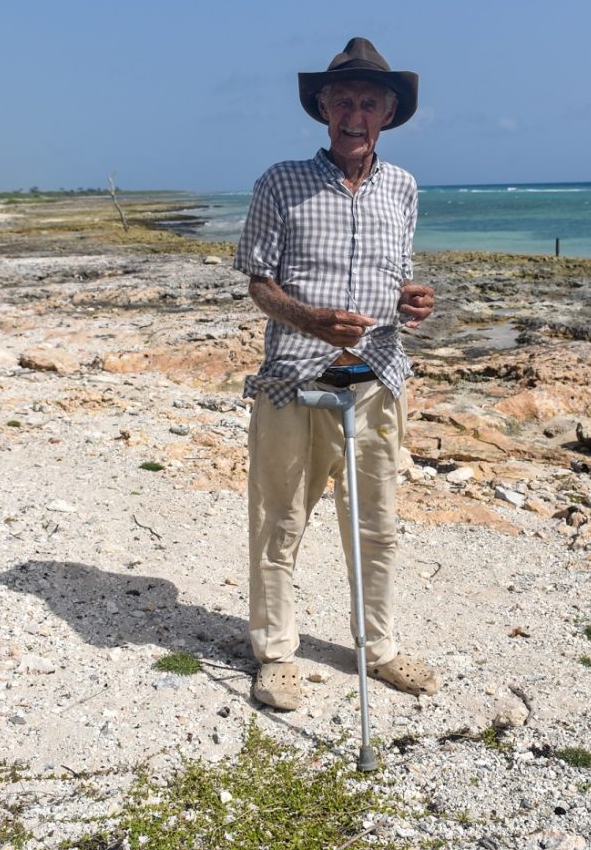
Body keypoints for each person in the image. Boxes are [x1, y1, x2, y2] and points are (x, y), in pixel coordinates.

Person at [233, 37, 440, 711]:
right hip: (294, 379)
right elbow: (259, 286)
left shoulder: (405, 188)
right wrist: (311, 320)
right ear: (323, 106)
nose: (356, 113)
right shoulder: (280, 182)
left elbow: (398, 285)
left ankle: (376, 648)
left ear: (389, 112)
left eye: (370, 102)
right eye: (344, 100)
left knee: (376, 525)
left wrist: (413, 305)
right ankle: (276, 653)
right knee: (280, 521)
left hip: (378, 377)